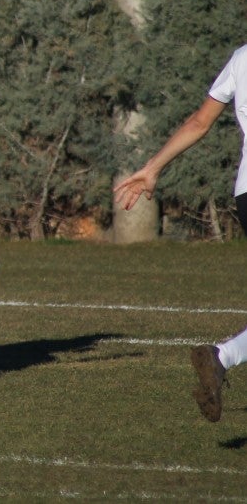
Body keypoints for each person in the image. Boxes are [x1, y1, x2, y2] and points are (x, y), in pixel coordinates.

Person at [115, 45, 247, 422]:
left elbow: (199, 122)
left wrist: (152, 167)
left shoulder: (241, 57)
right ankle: (223, 356)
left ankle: (223, 358)